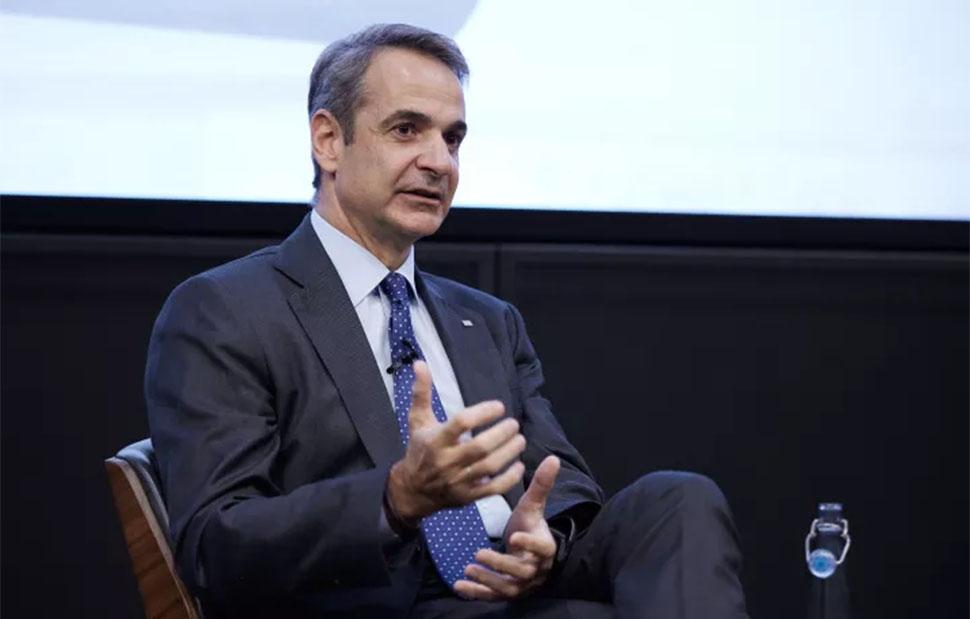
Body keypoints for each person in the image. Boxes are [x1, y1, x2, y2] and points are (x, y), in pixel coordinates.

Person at [146, 23, 750, 619]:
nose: (439, 162)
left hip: (514, 589)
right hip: (382, 599)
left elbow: (560, 479)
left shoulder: (486, 321)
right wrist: (396, 498)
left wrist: (546, 537)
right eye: (406, 130)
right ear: (329, 140)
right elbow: (215, 544)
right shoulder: (227, 310)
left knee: (678, 499)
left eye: (453, 138)